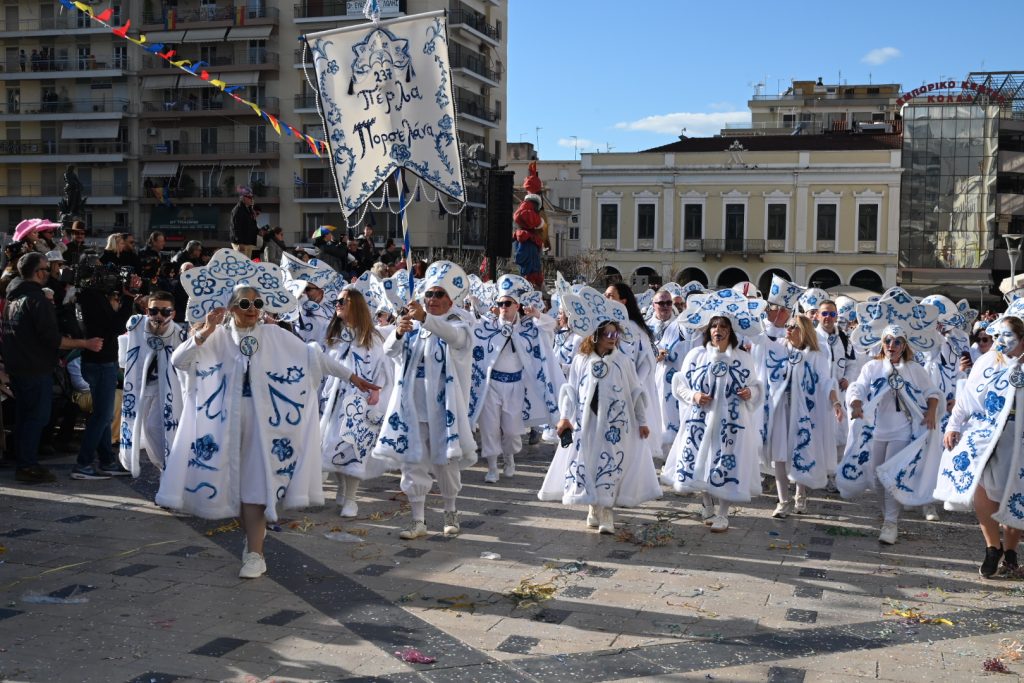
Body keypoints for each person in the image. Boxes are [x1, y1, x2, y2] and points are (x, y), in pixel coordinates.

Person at [156, 285, 378, 578]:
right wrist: (205, 330)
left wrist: (353, 378)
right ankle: (251, 541)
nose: (252, 309)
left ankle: (255, 553)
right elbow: (179, 361)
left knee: (256, 488)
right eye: (245, 303)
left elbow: (313, 358)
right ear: (232, 307)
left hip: (266, 428)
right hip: (222, 427)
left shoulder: (274, 335)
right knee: (230, 487)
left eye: (257, 303)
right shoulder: (217, 336)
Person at [372, 261, 476, 539]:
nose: (433, 300)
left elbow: (454, 338)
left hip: (443, 409)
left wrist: (424, 319)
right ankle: (417, 519)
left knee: (445, 464)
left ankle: (450, 511)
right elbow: (390, 352)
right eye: (429, 294)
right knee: (412, 462)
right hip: (411, 407)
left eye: (439, 295)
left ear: (451, 299)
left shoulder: (460, 323)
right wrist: (398, 331)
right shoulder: (413, 323)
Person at [541, 313, 660, 534]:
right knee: (587, 463)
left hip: (615, 425)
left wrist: (642, 421)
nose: (613, 338)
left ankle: (606, 511)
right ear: (596, 335)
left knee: (610, 463)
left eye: (616, 333)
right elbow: (571, 391)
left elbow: (635, 392)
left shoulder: (623, 362)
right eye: (608, 333)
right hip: (585, 424)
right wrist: (565, 417)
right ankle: (592, 506)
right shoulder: (581, 360)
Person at [2, 252, 102, 483]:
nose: (51, 273)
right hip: (34, 368)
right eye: (47, 269)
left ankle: (24, 461)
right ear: (38, 273)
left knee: (26, 417)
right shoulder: (36, 300)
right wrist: (85, 343)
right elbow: (53, 339)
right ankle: (27, 466)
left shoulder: (13, 297)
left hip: (18, 366)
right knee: (36, 417)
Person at [840, 324, 941, 544]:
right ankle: (888, 514)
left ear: (904, 345)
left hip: (903, 431)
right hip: (877, 430)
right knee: (877, 478)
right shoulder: (872, 367)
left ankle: (890, 523)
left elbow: (932, 392)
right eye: (887, 341)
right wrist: (856, 403)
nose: (891, 346)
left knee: (890, 477)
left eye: (897, 341)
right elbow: (858, 387)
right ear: (882, 343)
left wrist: (931, 411)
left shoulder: (914, 369)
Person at [939, 315, 1024, 577]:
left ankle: (1010, 551)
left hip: (1018, 436)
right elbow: (966, 398)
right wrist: (954, 425)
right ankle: (992, 547)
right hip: (984, 434)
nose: (999, 341)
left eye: (1006, 336)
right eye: (996, 336)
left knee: (1016, 493)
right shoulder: (988, 361)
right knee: (980, 487)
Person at [665, 315, 762, 532]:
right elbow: (680, 384)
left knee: (725, 462)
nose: (718, 330)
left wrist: (750, 392)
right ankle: (707, 503)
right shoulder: (696, 355)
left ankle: (723, 513)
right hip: (700, 419)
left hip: (732, 422)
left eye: (723, 327)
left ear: (731, 331)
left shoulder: (743, 357)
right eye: (714, 326)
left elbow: (755, 386)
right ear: (708, 330)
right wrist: (694, 396)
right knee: (702, 459)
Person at [467, 275, 561, 483]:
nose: (503, 307)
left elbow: (551, 326)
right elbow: (469, 335)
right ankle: (492, 467)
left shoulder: (529, 328)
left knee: (511, 431)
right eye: (500, 303)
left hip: (516, 385)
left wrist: (537, 314)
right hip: (490, 386)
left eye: (507, 303)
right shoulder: (487, 327)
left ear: (517, 305)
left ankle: (509, 457)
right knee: (489, 429)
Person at [320, 288, 394, 517]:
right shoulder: (334, 335)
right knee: (331, 446)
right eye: (337, 300)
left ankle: (351, 498)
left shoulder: (372, 338)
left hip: (360, 402)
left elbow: (384, 368)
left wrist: (377, 392)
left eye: (343, 300)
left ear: (356, 305)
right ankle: (342, 489)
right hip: (334, 400)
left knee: (353, 448)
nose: (338, 303)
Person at [769, 314, 842, 517]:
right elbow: (761, 345)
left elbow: (826, 382)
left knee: (801, 451)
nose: (788, 330)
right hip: (781, 409)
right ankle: (783, 502)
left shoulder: (816, 356)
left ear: (804, 331)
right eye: (788, 326)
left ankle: (800, 495)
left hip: (804, 412)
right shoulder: (780, 348)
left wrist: (835, 402)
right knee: (780, 455)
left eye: (793, 327)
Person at [71, 269, 141, 480]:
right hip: (101, 364)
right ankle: (83, 464)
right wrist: (129, 299)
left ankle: (107, 460)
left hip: (97, 362)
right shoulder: (93, 298)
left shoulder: (84, 297)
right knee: (102, 415)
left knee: (102, 415)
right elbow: (115, 326)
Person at [117, 290, 187, 476]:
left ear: (172, 313)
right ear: (147, 311)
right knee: (139, 429)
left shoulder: (179, 334)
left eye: (165, 312)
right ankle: (162, 469)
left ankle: (167, 470)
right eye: (154, 311)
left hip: (164, 390)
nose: (158, 316)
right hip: (140, 387)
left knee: (154, 428)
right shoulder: (137, 325)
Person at [229, 188, 259, 258]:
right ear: (243, 198)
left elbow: (251, 226)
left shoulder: (249, 210)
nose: (251, 199)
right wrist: (240, 243)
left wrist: (258, 231)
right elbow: (236, 227)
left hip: (248, 242)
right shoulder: (238, 210)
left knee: (247, 265)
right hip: (241, 243)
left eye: (252, 197)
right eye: (249, 197)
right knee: (241, 264)